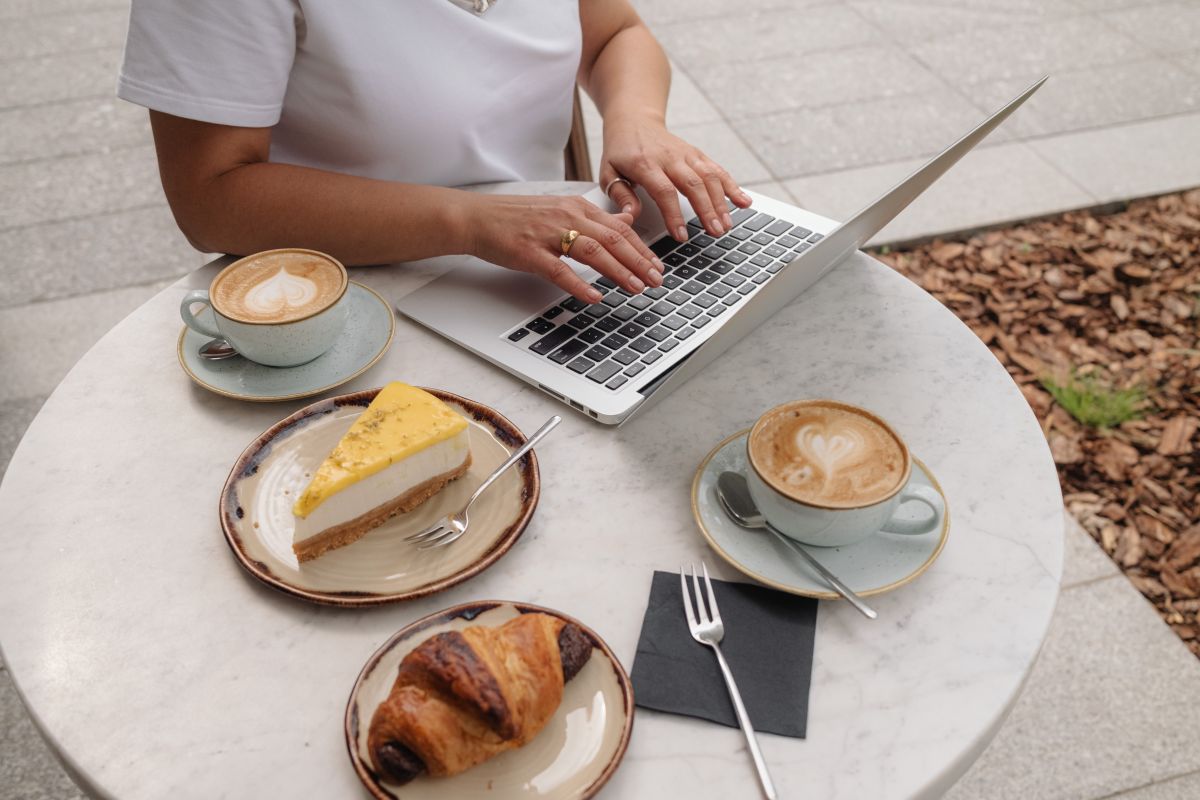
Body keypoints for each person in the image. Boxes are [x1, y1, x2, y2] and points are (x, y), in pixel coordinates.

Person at [118, 0, 752, 304]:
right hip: (342, 294)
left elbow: (616, 33)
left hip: (542, 263)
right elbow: (210, 197)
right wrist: (472, 223)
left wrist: (636, 120)